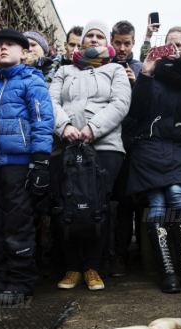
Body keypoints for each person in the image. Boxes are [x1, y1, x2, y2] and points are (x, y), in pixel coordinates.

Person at [0, 29, 55, 302]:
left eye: (9, 45)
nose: (3, 48)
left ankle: (21, 283)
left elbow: (42, 121)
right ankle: (1, 280)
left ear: (23, 52)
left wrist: (40, 161)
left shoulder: (32, 81)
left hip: (19, 165)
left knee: (18, 225)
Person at [126, 26, 181, 293]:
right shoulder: (152, 75)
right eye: (169, 44)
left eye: (180, 45)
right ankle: (167, 272)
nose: (173, 49)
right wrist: (146, 70)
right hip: (149, 146)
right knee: (156, 202)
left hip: (179, 147)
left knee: (177, 196)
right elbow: (136, 110)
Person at [49, 20, 131, 291]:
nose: (94, 39)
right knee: (66, 205)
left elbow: (120, 103)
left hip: (105, 147)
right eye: (89, 35)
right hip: (67, 145)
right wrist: (66, 127)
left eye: (99, 36)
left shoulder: (115, 69)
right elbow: (51, 102)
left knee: (98, 207)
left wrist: (92, 128)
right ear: (82, 41)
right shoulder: (63, 70)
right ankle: (72, 267)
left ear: (105, 41)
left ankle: (94, 266)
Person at [109, 19, 143, 277]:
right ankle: (117, 254)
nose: (122, 48)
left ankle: (142, 254)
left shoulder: (141, 69)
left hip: (136, 145)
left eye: (127, 43)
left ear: (133, 42)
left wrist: (135, 86)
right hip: (111, 142)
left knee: (136, 201)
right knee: (117, 202)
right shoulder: (104, 66)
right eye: (118, 43)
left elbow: (148, 106)